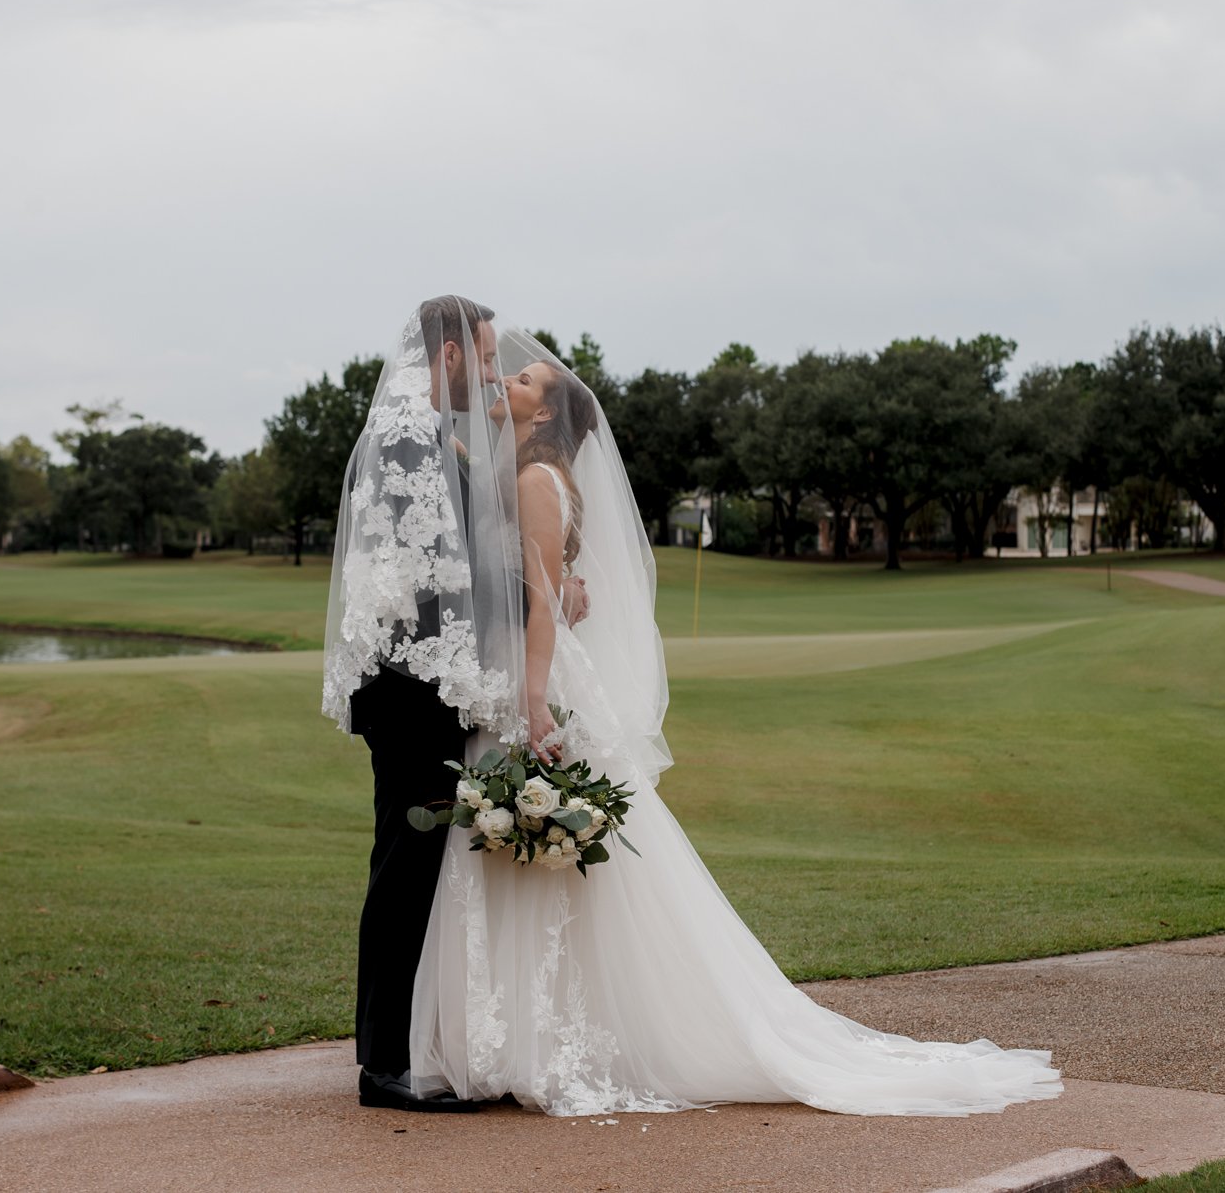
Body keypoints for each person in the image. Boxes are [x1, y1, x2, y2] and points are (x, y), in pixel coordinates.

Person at [402, 329, 1065, 1117]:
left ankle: (550, 1034)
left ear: (544, 416)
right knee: (523, 857)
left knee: (544, 858)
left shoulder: (537, 480)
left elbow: (544, 598)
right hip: (518, 673)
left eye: (523, 381)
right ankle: (515, 1029)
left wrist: (536, 696)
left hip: (536, 683)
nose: (505, 381)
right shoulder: (520, 472)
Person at [322, 296, 586, 1113]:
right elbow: (430, 577)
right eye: (480, 353)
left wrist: (539, 583)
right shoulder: (408, 434)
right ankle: (384, 1067)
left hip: (416, 687)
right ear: (446, 357)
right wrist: (522, 600)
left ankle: (391, 1050)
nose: (488, 368)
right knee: (405, 865)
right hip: (411, 690)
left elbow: (461, 559)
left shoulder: (429, 431)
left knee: (406, 863)